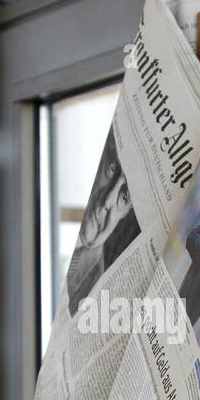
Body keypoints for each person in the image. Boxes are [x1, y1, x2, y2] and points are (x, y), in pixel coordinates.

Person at [66, 131, 141, 313]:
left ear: (126, 214)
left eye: (124, 197)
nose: (107, 200)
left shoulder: (96, 291)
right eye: (112, 169)